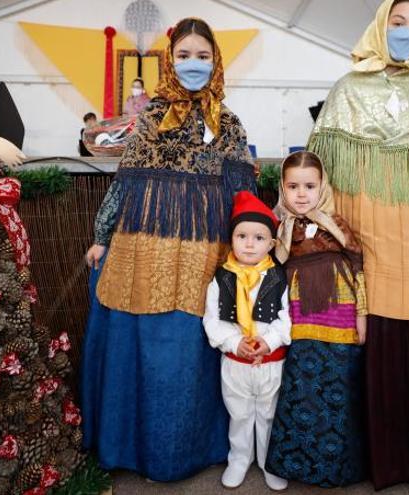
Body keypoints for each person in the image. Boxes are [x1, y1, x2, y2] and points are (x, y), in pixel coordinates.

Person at [79, 17, 255, 482]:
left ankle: (197, 448)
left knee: (192, 348)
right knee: (148, 344)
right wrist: (101, 237)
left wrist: (250, 252)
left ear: (215, 61)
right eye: (183, 55)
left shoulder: (230, 124)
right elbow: (124, 184)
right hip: (146, 249)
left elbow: (244, 195)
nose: (193, 64)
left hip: (204, 252)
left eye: (202, 55)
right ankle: (133, 448)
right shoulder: (152, 117)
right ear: (170, 60)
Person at [306, 0, 409, 488]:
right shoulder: (346, 89)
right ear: (380, 24)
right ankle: (378, 461)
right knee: (371, 330)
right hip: (362, 223)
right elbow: (318, 164)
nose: (407, 32)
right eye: (399, 22)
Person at [264, 151, 368, 487]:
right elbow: (269, 272)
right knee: (303, 389)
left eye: (310, 185)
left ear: (322, 186)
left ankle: (340, 467)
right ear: (282, 187)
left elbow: (357, 266)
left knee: (339, 388)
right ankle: (298, 465)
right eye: (293, 186)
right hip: (300, 320)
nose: (301, 193)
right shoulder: (279, 230)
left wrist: (362, 317)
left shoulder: (337, 224)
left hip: (341, 318)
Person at [203, 190, 291, 491]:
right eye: (242, 236)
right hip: (235, 364)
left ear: (272, 243)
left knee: (268, 414)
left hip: (270, 363)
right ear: (232, 240)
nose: (250, 243)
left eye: (258, 237)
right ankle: (239, 459)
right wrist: (233, 342)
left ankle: (269, 462)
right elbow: (212, 319)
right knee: (239, 414)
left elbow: (286, 318)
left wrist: (269, 341)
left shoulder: (279, 278)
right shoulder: (221, 278)